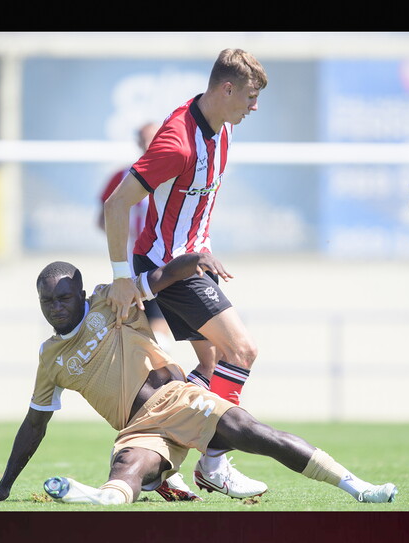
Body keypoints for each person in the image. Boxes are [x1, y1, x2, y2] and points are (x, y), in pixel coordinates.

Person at [0, 254, 399, 506]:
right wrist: (4, 487)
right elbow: (34, 423)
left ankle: (357, 487)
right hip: (138, 429)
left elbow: (162, 277)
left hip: (178, 399)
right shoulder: (50, 358)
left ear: (79, 293)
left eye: (64, 297)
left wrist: (195, 258)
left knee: (252, 432)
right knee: (129, 466)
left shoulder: (111, 298)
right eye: (47, 301)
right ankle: (102, 497)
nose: (56, 307)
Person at [102, 48, 268, 496]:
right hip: (168, 266)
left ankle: (152, 444)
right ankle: (213, 463)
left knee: (212, 365)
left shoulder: (223, 125)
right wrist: (121, 277)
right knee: (243, 351)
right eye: (250, 97)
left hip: (194, 260)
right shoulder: (177, 141)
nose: (255, 107)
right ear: (226, 88)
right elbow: (116, 205)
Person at [96, 121, 174, 353]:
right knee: (132, 329)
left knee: (160, 337)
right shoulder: (122, 176)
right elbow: (104, 218)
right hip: (131, 267)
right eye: (145, 138)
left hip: (163, 262)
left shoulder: (175, 173)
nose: (150, 143)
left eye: (154, 137)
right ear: (138, 142)